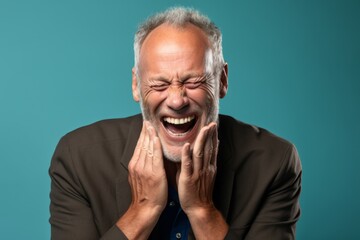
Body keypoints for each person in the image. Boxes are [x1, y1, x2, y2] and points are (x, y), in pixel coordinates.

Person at [49, 7, 302, 240]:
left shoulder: (275, 163)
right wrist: (143, 209)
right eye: (159, 84)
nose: (177, 100)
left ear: (222, 80)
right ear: (136, 85)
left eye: (193, 82)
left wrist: (202, 210)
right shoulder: (78, 158)